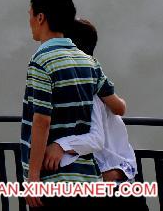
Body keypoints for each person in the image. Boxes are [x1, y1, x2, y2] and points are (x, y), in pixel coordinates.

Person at [20, 0, 122, 209]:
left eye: (30, 16)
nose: (29, 22)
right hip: (89, 181)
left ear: (40, 18)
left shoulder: (41, 61)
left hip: (55, 182)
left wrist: (33, 177)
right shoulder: (89, 62)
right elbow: (114, 102)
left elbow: (42, 120)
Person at [43, 18, 148, 210]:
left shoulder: (89, 92)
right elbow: (119, 107)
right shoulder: (89, 86)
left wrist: (60, 146)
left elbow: (96, 139)